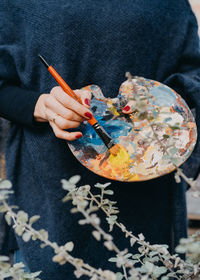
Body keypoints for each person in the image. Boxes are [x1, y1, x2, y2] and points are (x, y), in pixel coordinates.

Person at [0, 1, 200, 279]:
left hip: (148, 196)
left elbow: (193, 78)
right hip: (50, 196)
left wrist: (154, 104)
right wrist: (42, 106)